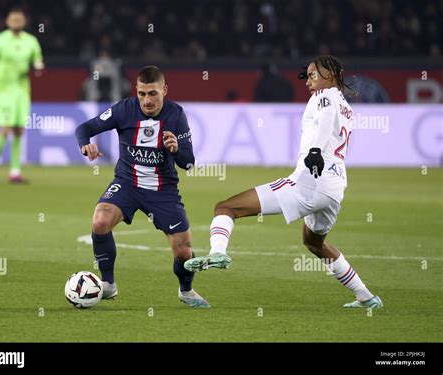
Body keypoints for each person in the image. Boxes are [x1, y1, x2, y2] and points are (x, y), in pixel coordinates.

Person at [185, 56, 383, 309]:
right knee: (314, 242)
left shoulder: (323, 97)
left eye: (313, 75)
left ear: (330, 75)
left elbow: (322, 125)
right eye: (307, 75)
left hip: (311, 179)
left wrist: (313, 151)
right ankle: (366, 297)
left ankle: (217, 253)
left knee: (225, 207)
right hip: (335, 185)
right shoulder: (345, 105)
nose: (308, 81)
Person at [75, 66, 209, 308]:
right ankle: (108, 284)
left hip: (163, 189)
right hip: (127, 183)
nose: (147, 100)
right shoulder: (123, 109)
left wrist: (176, 148)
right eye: (142, 94)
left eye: (153, 94)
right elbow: (84, 128)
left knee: (184, 253)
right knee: (100, 221)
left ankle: (186, 291)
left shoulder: (176, 115)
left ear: (164, 90)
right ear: (136, 91)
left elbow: (188, 163)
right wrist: (85, 145)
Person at [0, 8, 44, 183]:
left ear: (24, 21)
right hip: (2, 91)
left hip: (22, 92)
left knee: (18, 130)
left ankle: (15, 172)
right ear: (7, 21)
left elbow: (38, 62)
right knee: (5, 128)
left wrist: (38, 69)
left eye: (19, 18)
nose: (16, 21)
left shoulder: (31, 41)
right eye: (13, 18)